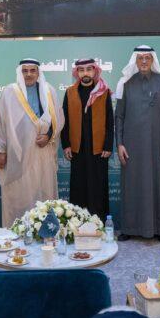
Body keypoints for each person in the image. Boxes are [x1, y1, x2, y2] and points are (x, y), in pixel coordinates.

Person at [114, 45, 160, 242]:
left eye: (147, 58)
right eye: (140, 58)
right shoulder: (125, 83)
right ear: (135, 60)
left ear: (152, 60)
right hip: (132, 146)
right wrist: (119, 144)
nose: (143, 61)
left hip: (159, 145)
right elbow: (119, 117)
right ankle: (129, 228)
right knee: (132, 185)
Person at [0, 59, 64, 226]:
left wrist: (48, 136)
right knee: (20, 192)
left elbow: (58, 120)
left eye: (33, 70)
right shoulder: (10, 92)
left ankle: (44, 230)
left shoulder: (49, 91)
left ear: (38, 72)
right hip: (18, 152)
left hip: (43, 151)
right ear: (20, 72)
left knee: (43, 191)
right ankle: (18, 229)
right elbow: (1, 123)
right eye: (25, 71)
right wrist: (1, 150)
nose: (29, 74)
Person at [62, 58, 114, 222]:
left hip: (98, 148)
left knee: (98, 187)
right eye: (81, 70)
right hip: (77, 148)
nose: (85, 73)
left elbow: (110, 120)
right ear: (77, 73)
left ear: (94, 71)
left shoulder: (103, 91)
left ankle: (99, 224)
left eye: (89, 69)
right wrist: (66, 145)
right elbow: (65, 121)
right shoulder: (70, 92)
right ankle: (77, 224)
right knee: (79, 186)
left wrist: (108, 145)